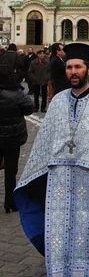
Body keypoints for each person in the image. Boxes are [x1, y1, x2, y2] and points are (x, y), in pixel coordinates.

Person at [15, 42, 89, 277]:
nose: (73, 72)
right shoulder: (58, 102)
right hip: (59, 180)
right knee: (60, 230)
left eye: (78, 67)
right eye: (69, 67)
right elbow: (44, 142)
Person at [0, 68, 34, 213]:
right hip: (12, 138)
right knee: (11, 170)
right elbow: (29, 108)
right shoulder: (16, 93)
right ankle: (10, 202)